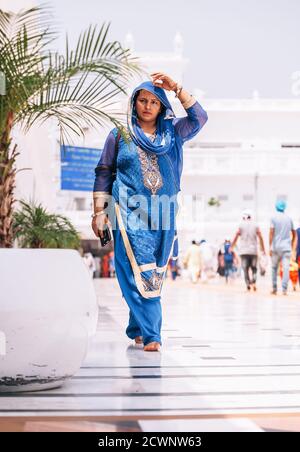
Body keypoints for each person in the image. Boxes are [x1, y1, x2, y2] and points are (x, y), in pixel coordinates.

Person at [92, 73, 208, 351]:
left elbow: (199, 119)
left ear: (162, 107)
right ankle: (153, 334)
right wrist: (99, 212)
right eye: (142, 100)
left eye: (154, 102)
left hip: (163, 213)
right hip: (127, 211)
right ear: (134, 104)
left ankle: (138, 327)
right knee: (134, 271)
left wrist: (177, 88)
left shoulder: (173, 133)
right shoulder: (119, 134)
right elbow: (104, 171)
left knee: (151, 270)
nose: (147, 106)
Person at [230, 209, 266, 291]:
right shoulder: (256, 225)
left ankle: (248, 284)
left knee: (245, 268)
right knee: (254, 268)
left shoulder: (241, 225)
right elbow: (260, 237)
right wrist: (262, 248)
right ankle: (254, 282)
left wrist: (232, 246)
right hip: (253, 251)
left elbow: (236, 236)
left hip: (244, 251)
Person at [269, 200, 296, 295]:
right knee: (286, 268)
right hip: (286, 248)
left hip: (276, 247)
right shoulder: (289, 218)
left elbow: (271, 232)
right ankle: (284, 289)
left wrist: (270, 246)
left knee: (274, 268)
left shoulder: (273, 218)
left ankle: (274, 288)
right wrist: (292, 245)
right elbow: (294, 233)